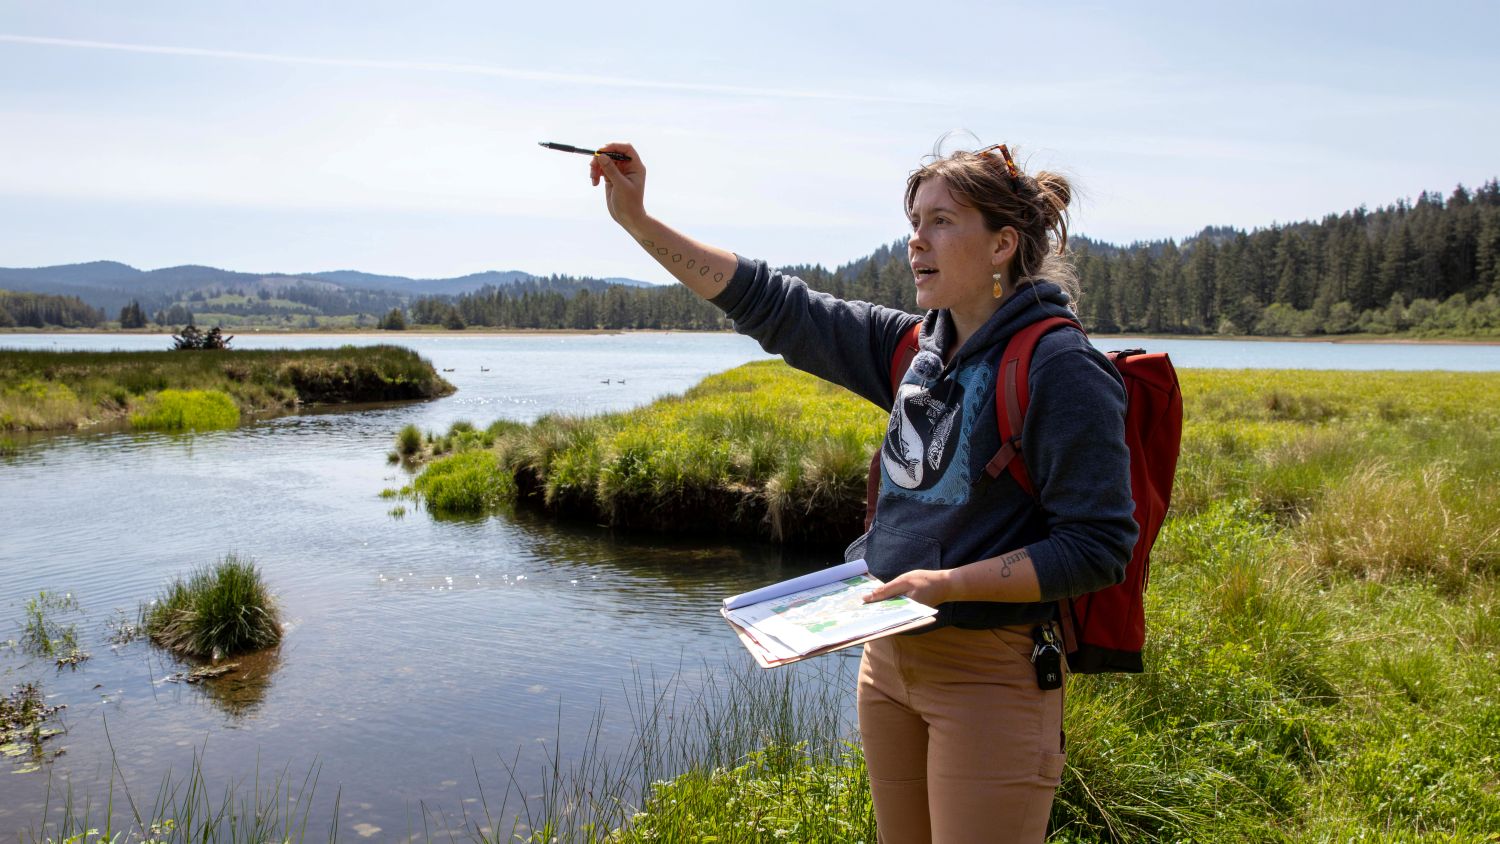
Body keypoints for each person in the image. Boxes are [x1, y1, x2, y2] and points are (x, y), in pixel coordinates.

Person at [589, 140, 1136, 843]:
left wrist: (950, 584)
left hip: (990, 674)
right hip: (886, 662)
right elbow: (773, 303)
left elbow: (1098, 547)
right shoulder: (914, 350)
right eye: (913, 221)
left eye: (941, 221)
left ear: (1003, 243)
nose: (916, 241)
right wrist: (639, 221)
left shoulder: (1061, 367)